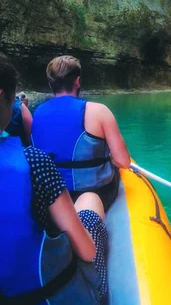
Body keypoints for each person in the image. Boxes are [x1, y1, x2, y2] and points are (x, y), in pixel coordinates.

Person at [0, 52, 108, 304]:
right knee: (89, 203)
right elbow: (87, 250)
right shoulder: (35, 162)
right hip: (49, 295)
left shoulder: (41, 116)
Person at [32, 55, 131, 212]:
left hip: (53, 196)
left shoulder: (37, 113)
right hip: (94, 192)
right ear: (77, 81)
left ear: (51, 84)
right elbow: (124, 162)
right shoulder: (98, 111)